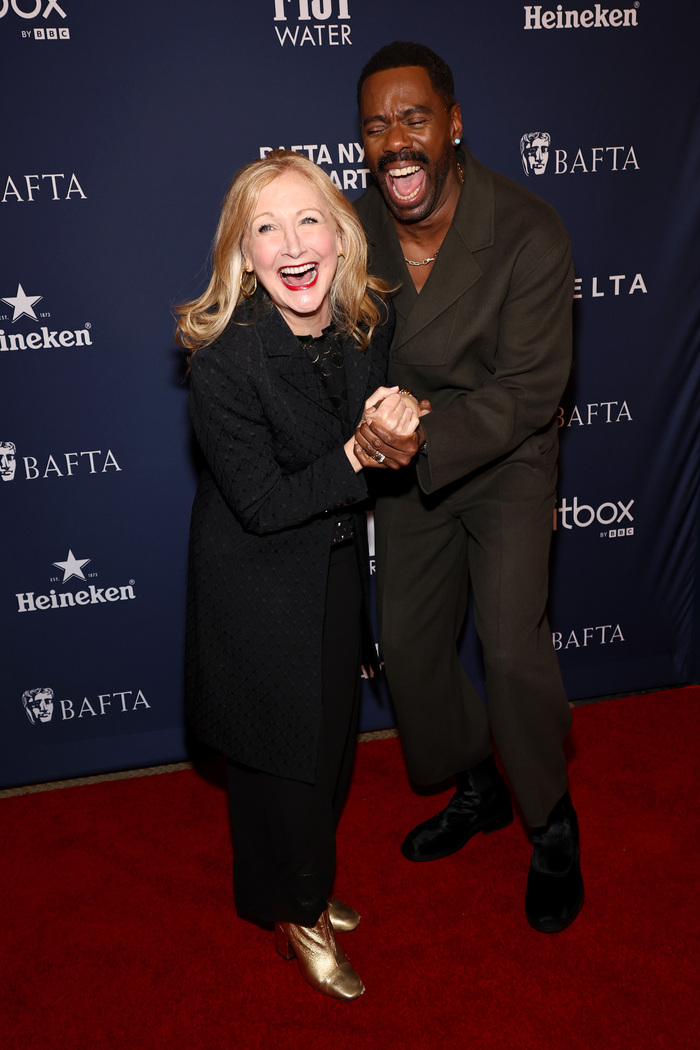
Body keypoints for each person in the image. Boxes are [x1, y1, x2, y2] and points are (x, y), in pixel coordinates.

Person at [175, 150, 419, 999]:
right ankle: (301, 913)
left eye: (308, 218)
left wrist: (398, 410)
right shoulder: (225, 361)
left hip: (333, 567)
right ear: (242, 255)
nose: (290, 242)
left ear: (341, 233)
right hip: (256, 585)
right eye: (265, 227)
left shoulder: (363, 322)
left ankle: (298, 888)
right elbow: (265, 502)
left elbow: (385, 408)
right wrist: (360, 450)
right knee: (282, 764)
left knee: (331, 751)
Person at [352, 41, 584, 933]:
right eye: (376, 127)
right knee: (408, 652)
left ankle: (551, 824)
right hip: (403, 466)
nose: (395, 143)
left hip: (505, 460)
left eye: (414, 119)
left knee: (515, 651)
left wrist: (416, 432)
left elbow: (531, 389)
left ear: (453, 125)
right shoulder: (351, 229)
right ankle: (479, 783)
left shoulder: (528, 227)